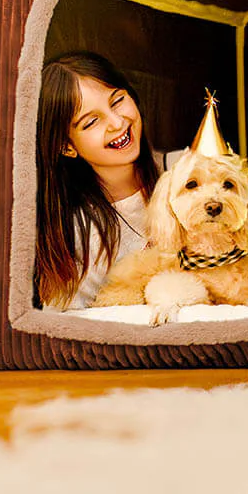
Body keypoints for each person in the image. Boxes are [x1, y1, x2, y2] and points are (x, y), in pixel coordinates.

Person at [34, 51, 161, 311]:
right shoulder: (79, 234)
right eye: (92, 121)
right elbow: (63, 328)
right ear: (66, 146)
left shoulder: (185, 175)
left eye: (117, 101)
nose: (116, 122)